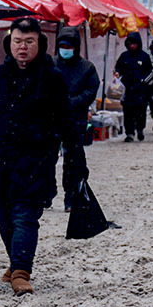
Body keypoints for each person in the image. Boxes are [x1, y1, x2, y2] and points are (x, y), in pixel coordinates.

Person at [0, 18, 78, 296]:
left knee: (25, 215)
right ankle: (16, 262)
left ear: (40, 43)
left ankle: (21, 271)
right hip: (0, 160)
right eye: (17, 41)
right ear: (9, 43)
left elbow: (66, 121)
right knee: (2, 214)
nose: (22, 47)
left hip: (36, 160)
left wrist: (75, 156)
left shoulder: (53, 77)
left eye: (29, 42)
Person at [55, 26, 100, 212]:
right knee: (44, 158)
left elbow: (90, 91)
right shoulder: (51, 64)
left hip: (76, 120)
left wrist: (71, 103)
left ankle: (71, 196)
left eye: (69, 45)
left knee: (72, 160)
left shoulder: (87, 68)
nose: (65, 49)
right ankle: (45, 192)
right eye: (62, 45)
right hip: (51, 119)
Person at [114, 31, 153, 142]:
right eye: (130, 44)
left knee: (141, 111)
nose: (132, 46)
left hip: (141, 90)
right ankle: (129, 133)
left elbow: (151, 71)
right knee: (128, 111)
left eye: (134, 44)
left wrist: (143, 81)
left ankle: (140, 129)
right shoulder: (124, 56)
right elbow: (118, 67)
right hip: (127, 89)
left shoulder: (144, 56)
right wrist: (117, 73)